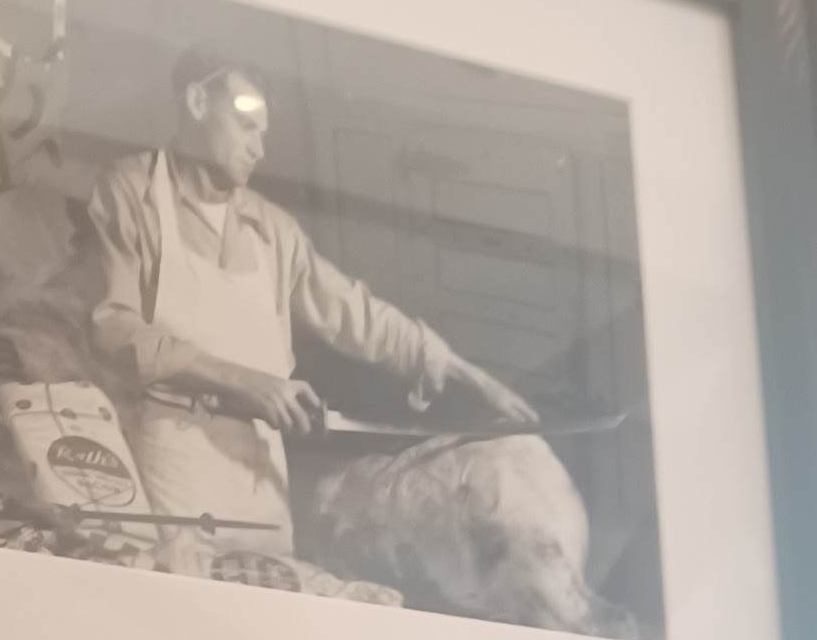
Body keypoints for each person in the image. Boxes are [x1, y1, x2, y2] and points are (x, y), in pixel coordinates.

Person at [82, 49, 573, 594]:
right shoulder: (130, 191)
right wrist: (247, 382)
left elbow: (355, 314)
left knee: (271, 609)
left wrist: (467, 375)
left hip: (262, 464)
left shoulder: (272, 228)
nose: (259, 148)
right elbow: (114, 328)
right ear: (197, 101)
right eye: (246, 126)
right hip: (179, 451)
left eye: (264, 133)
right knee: (188, 606)